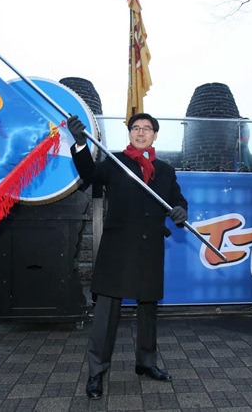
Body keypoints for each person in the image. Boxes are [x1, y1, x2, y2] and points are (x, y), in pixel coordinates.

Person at [66, 113, 188, 400]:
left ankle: (146, 363)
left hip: (150, 249)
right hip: (118, 249)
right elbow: (89, 174)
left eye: (147, 129)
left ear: (155, 135)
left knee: (148, 310)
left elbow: (177, 200)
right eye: (136, 128)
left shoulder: (166, 170)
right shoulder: (115, 161)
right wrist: (81, 143)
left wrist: (181, 211)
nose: (141, 132)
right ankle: (96, 372)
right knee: (105, 315)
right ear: (130, 133)